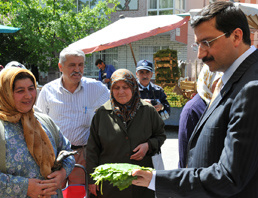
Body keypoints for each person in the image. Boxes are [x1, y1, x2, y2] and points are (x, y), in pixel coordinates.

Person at [132, 2, 258, 197]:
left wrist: (157, 180)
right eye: (197, 44)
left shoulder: (252, 88)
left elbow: (229, 177)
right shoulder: (234, 79)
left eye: (207, 42)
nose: (200, 54)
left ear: (236, 36)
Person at [86, 69, 166, 198]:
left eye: (125, 87)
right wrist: (91, 179)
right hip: (110, 184)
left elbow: (160, 136)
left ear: (133, 87)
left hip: (141, 182)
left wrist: (148, 145)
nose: (121, 92)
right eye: (116, 87)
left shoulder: (148, 111)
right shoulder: (102, 114)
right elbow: (92, 149)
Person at [36, 47, 110, 187]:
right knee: (55, 193)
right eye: (72, 65)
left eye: (80, 65)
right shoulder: (48, 91)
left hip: (82, 154)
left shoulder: (96, 88)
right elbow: (39, 124)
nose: (77, 69)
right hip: (55, 158)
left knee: (79, 193)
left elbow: (115, 104)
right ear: (60, 67)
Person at [0, 67, 75, 198]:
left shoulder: (43, 121)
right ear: (6, 93)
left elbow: (67, 151)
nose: (28, 96)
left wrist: (62, 173)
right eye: (20, 91)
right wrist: (24, 187)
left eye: (31, 88)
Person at [178, 65, 222, 168]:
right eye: (217, 81)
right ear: (208, 79)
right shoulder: (192, 109)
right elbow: (185, 152)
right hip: (198, 174)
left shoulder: (220, 103)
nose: (221, 85)